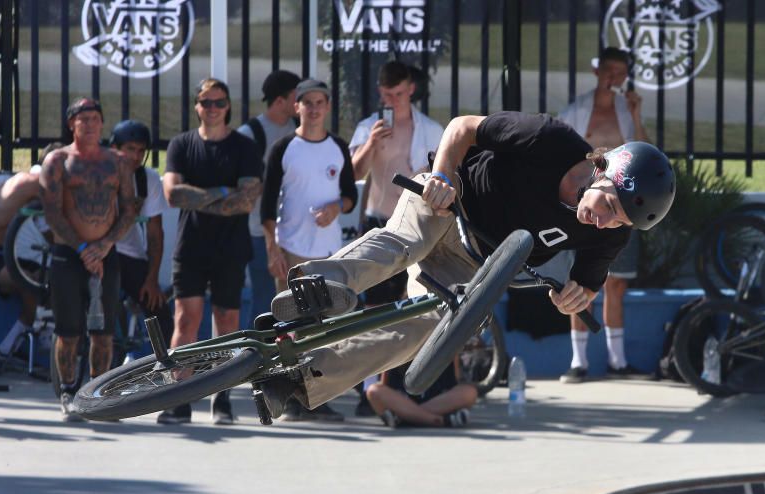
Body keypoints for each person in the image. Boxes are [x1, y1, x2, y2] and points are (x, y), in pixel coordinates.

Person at [258, 110, 675, 418]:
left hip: (470, 265)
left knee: (421, 332)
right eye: (607, 205)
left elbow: (586, 287)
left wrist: (573, 299)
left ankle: (302, 381)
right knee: (404, 243)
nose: (602, 221)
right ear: (602, 171)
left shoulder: (610, 233)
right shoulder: (549, 140)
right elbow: (462, 128)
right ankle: (315, 287)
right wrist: (440, 174)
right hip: (449, 202)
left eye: (617, 219)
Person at [160, 78, 263, 425]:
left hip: (230, 249)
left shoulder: (244, 147)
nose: (213, 108)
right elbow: (173, 195)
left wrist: (201, 195)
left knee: (227, 323)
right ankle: (179, 398)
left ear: (229, 105)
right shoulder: (181, 145)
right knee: (185, 321)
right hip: (190, 246)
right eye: (206, 102)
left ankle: (221, 399)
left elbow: (247, 201)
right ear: (197, 106)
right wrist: (223, 192)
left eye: (219, 102)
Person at [347, 60, 444, 416]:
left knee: (406, 310)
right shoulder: (367, 127)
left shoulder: (431, 130)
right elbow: (353, 176)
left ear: (411, 91)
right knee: (372, 311)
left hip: (416, 229)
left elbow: (443, 176)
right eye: (386, 95)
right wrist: (370, 144)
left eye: (398, 94)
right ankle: (368, 389)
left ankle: (394, 388)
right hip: (378, 223)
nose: (392, 101)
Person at [259, 78, 357, 422]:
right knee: (290, 326)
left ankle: (316, 397)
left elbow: (350, 196)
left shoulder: (338, 147)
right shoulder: (284, 148)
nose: (314, 109)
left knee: (321, 327)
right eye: (307, 102)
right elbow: (267, 207)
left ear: (328, 107)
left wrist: (336, 207)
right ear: (296, 106)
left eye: (320, 102)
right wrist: (273, 250)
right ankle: (288, 400)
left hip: (328, 254)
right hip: (292, 250)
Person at [40, 98, 139, 421]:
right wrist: (83, 249)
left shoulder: (118, 162)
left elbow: (128, 209)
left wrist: (106, 244)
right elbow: (53, 213)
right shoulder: (58, 161)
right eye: (83, 119)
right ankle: (68, 391)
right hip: (70, 254)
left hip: (106, 254)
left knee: (103, 331)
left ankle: (98, 395)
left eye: (96, 118)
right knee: (69, 331)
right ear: (72, 124)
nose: (91, 124)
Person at [558, 47, 651, 383]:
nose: (614, 78)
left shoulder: (627, 113)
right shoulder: (577, 111)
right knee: (579, 283)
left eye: (621, 72)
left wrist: (637, 114)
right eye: (609, 71)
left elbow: (645, 155)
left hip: (620, 208)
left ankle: (617, 360)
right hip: (586, 204)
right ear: (597, 72)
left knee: (616, 286)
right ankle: (578, 361)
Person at [0, 143, 62, 372]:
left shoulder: (26, 181)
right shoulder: (35, 184)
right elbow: (51, 228)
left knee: (38, 274)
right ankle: (8, 348)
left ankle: (22, 337)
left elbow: (44, 227)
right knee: (33, 281)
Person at [236, 69, 300, 326]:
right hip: (258, 231)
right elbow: (236, 185)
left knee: (295, 300)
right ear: (280, 100)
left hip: (296, 231)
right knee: (264, 301)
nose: (302, 102)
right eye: (297, 96)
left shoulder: (300, 128)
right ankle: (257, 356)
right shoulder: (250, 134)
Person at [108, 120, 174, 346]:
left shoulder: (148, 178)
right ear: (114, 148)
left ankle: (171, 371)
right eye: (130, 149)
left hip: (129, 253)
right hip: (97, 251)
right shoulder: (97, 173)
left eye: (141, 151)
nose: (135, 157)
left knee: (159, 309)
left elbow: (155, 233)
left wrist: (152, 278)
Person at [366, 357, 476, 429]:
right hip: (403, 400)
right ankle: (438, 421)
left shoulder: (446, 340)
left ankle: (408, 417)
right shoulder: (398, 343)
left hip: (434, 401)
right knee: (374, 391)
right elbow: (385, 386)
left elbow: (454, 383)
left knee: (469, 392)